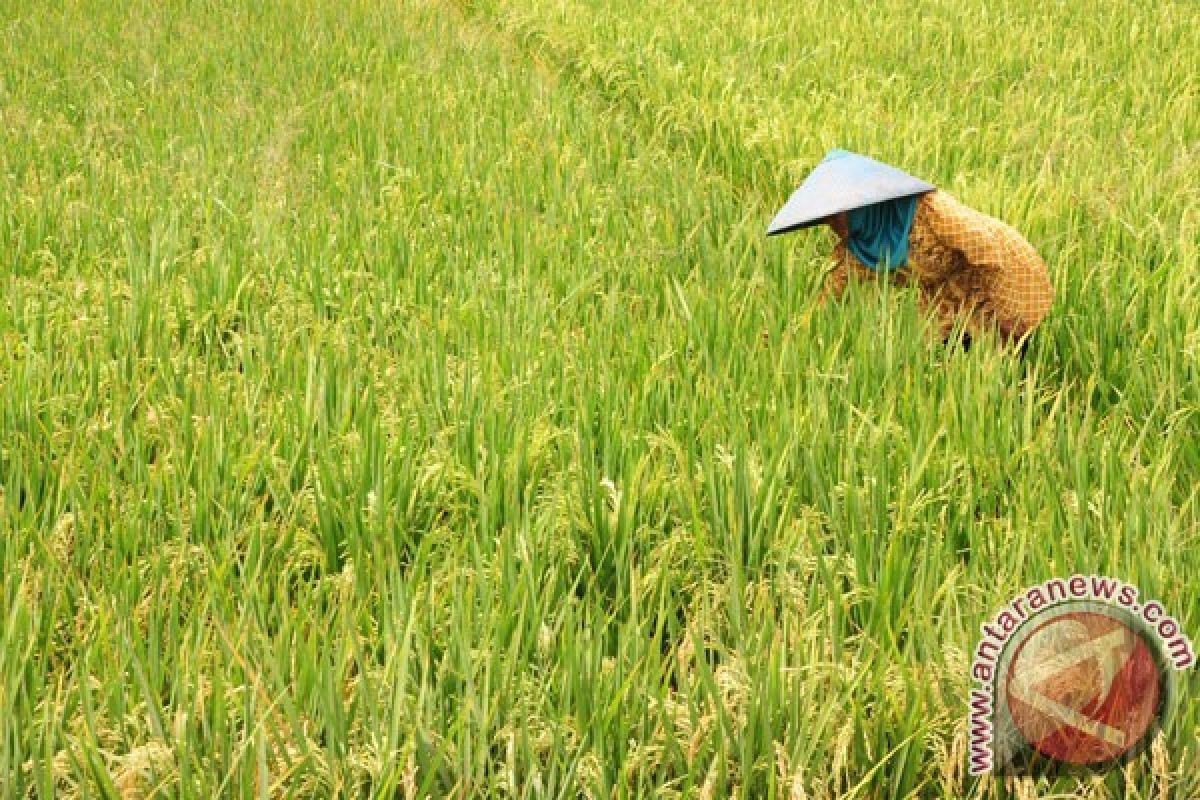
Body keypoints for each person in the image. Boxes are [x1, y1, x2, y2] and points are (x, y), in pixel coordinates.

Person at [768, 150, 1055, 353]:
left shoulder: (929, 211)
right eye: (828, 220)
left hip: (999, 274)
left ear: (860, 207)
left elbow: (986, 249)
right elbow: (830, 296)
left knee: (1008, 356)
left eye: (837, 216)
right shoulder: (858, 250)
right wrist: (790, 335)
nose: (834, 226)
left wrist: (1003, 311)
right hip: (947, 299)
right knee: (948, 362)